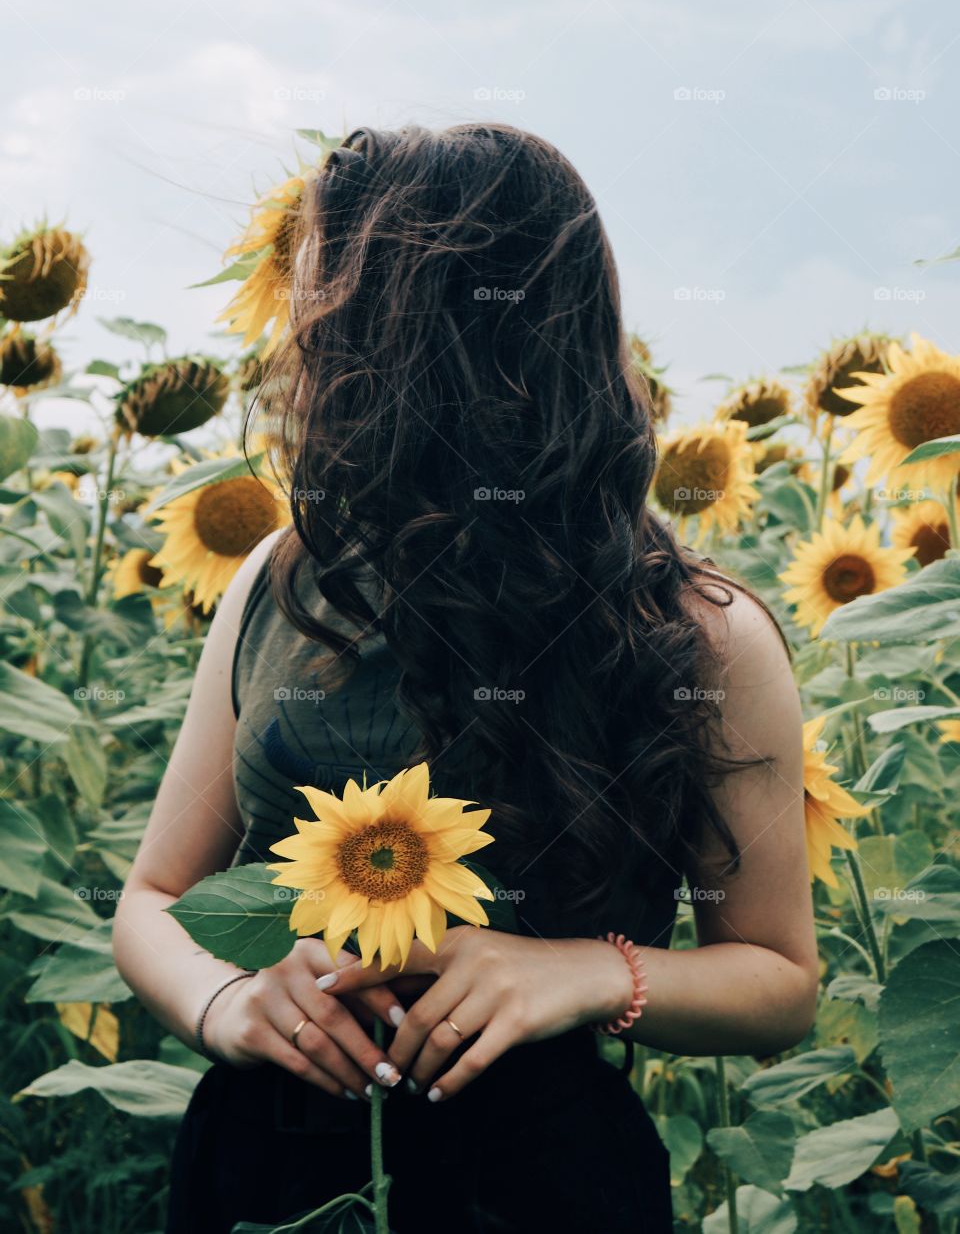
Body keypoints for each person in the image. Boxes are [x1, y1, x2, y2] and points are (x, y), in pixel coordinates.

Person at [113, 123, 818, 1234]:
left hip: (542, 1178)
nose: (295, 347)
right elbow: (153, 900)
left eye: (327, 311)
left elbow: (779, 978)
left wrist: (583, 973)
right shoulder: (283, 579)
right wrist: (233, 1001)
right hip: (272, 1162)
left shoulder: (700, 634)